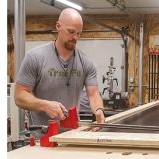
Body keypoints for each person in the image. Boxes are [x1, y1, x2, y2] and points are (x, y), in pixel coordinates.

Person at [15, 8, 105, 136]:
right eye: (71, 32)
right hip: (42, 139)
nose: (75, 38)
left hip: (72, 137)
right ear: (58, 26)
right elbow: (19, 96)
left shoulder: (86, 62)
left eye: (79, 34)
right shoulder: (35, 57)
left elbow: (93, 93)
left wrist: (98, 109)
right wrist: (44, 105)